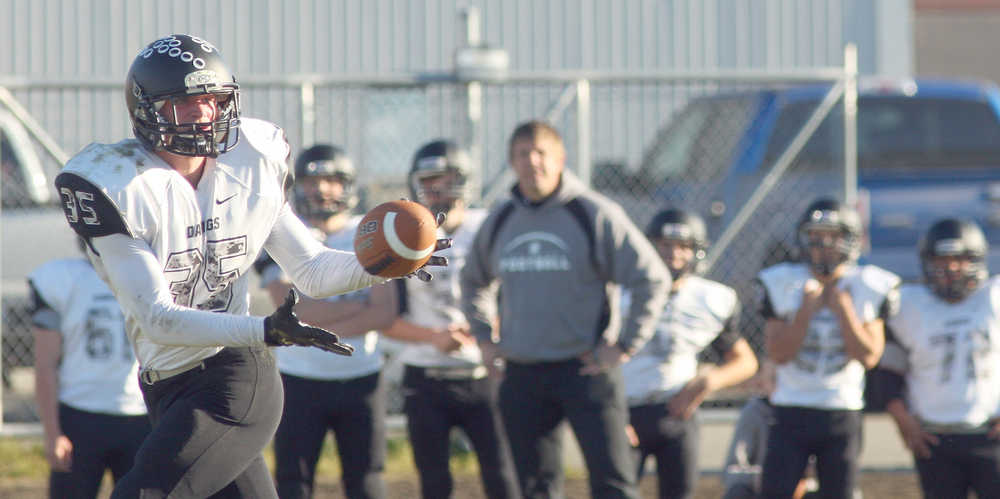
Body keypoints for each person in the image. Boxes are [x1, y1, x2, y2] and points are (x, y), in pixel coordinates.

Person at [53, 34, 448, 498]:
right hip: (167, 379)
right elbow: (156, 319)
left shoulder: (252, 160)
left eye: (213, 99)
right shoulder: (117, 183)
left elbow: (314, 270)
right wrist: (265, 329)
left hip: (233, 378)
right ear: (148, 109)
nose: (203, 113)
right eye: (185, 102)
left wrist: (383, 263)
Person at [461, 120, 671, 498]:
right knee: (535, 487)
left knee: (614, 483)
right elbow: (472, 281)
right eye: (523, 154)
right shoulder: (501, 219)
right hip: (522, 373)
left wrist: (624, 345)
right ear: (512, 162)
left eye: (542, 152)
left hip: (586, 369)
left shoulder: (592, 214)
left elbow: (652, 277)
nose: (533, 162)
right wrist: (485, 341)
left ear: (561, 159)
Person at [254, 144, 394, 499]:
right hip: (299, 379)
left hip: (361, 376)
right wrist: (357, 312)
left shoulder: (371, 234)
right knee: (293, 481)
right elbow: (295, 311)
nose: (322, 189)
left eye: (332, 180)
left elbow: (385, 312)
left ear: (347, 185)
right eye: (314, 179)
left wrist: (318, 319)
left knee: (367, 481)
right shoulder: (283, 233)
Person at [382, 139, 518, 499]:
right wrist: (434, 337)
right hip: (425, 376)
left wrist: (487, 334)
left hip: (484, 372)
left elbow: (519, 300)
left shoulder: (490, 228)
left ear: (465, 181)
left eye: (446, 179)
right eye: (429, 180)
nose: (437, 188)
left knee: (504, 475)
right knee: (434, 481)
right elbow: (384, 317)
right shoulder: (402, 233)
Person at [757, 198, 899, 499]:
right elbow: (779, 354)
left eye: (834, 236)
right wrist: (805, 312)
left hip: (841, 410)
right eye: (816, 237)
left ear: (851, 240)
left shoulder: (870, 285)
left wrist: (844, 310)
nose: (824, 245)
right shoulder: (783, 281)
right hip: (790, 408)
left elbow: (869, 357)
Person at [622, 208, 758, 499]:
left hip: (678, 412)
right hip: (625, 411)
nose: (674, 254)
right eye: (665, 245)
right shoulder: (620, 292)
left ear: (697, 251)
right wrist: (610, 415)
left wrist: (708, 382)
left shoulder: (711, 299)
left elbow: (745, 361)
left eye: (683, 246)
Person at [883, 218, 1000, 498]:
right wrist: (903, 419)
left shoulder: (993, 296)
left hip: (990, 434)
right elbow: (886, 373)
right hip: (935, 436)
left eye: (959, 259)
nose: (950, 268)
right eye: (941, 260)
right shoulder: (909, 305)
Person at [29, 238, 151, 498]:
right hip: (80, 417)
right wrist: (52, 433)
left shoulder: (150, 276)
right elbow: (45, 363)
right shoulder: (64, 279)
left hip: (141, 413)